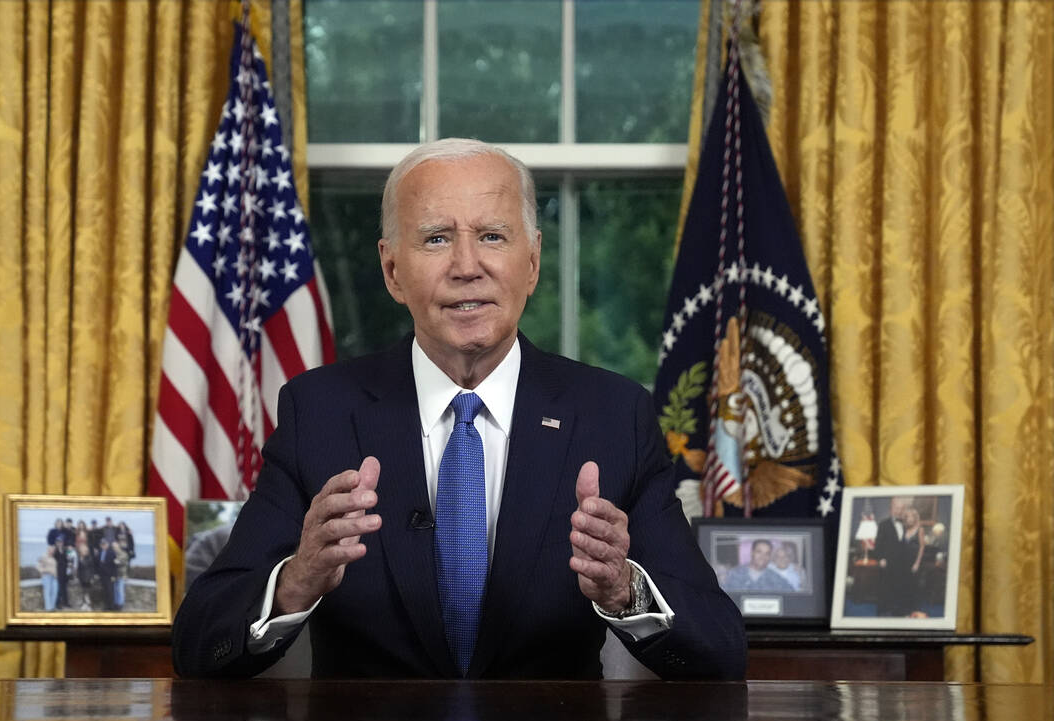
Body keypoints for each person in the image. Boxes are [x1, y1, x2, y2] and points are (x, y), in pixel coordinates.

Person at [172, 138, 746, 680]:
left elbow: (719, 648)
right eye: (437, 239)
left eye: (493, 236)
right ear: (393, 270)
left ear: (533, 262)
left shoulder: (613, 415)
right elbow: (199, 644)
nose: (467, 265)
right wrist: (298, 580)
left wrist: (626, 591)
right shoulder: (319, 412)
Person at [721, 539, 793, 593]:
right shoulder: (734, 574)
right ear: (752, 552)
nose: (763, 556)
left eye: (767, 553)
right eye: (759, 552)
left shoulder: (776, 578)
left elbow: (792, 595)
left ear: (770, 556)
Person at [37, 545, 59, 611]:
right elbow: (38, 566)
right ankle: (48, 608)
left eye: (53, 550)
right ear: (48, 550)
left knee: (54, 592)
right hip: (47, 577)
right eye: (51, 550)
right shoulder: (44, 556)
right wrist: (43, 571)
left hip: (54, 577)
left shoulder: (53, 558)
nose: (52, 551)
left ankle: (52, 607)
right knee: (47, 592)